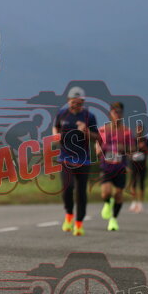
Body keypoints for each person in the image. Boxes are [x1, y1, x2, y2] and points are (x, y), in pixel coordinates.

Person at [54, 86, 101, 236]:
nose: (76, 105)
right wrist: (56, 136)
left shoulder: (89, 116)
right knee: (67, 189)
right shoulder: (62, 114)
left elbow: (97, 137)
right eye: (74, 102)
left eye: (79, 103)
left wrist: (86, 131)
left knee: (81, 192)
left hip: (83, 160)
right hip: (65, 158)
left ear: (83, 102)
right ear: (68, 101)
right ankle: (69, 214)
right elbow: (56, 128)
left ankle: (79, 223)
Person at [97, 102, 134, 231]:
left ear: (122, 114)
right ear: (110, 114)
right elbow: (97, 146)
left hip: (120, 167)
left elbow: (132, 149)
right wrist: (99, 150)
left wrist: (124, 148)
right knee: (105, 193)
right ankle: (108, 203)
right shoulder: (103, 130)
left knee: (118, 194)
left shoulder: (127, 131)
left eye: (119, 112)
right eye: (115, 112)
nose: (117, 114)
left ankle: (113, 219)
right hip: (106, 166)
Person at [128, 122, 148, 213]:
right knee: (133, 183)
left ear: (143, 130)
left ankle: (141, 203)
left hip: (143, 165)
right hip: (133, 165)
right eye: (138, 129)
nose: (139, 131)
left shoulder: (147, 141)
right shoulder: (132, 141)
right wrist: (134, 150)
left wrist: (144, 148)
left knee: (141, 184)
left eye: (140, 129)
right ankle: (134, 202)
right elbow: (127, 153)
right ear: (135, 130)